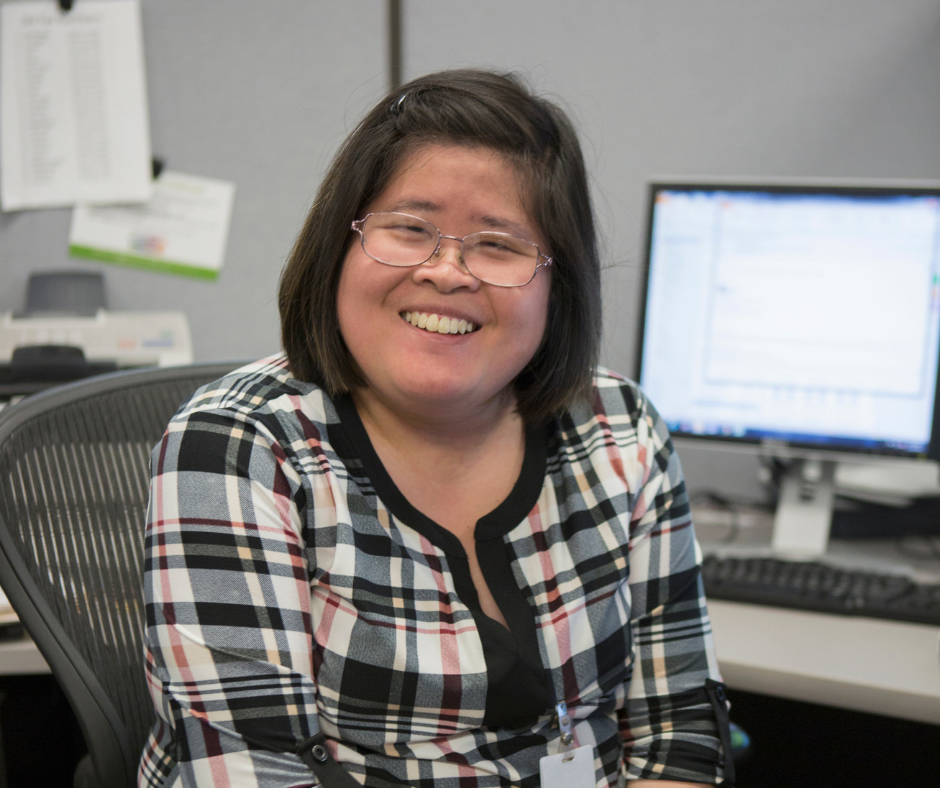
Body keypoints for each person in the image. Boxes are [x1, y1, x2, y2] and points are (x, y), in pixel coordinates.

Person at [141, 69, 733, 788]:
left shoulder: (619, 430)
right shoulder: (239, 448)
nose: (447, 272)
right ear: (341, 248)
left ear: (558, 281)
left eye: (499, 244)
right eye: (409, 229)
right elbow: (251, 771)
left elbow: (680, 734)